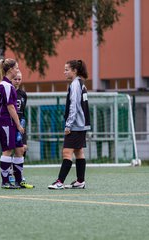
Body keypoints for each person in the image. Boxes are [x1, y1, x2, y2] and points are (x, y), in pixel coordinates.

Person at [48, 59, 91, 190]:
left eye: (67, 69)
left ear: (75, 71)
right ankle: (80, 181)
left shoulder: (75, 85)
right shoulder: (80, 83)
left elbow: (74, 106)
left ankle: (60, 181)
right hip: (82, 125)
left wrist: (68, 125)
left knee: (67, 152)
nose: (64, 72)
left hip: (76, 125)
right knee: (79, 152)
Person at [0, 58, 25, 189]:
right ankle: (5, 181)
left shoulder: (9, 85)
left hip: (11, 122)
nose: (18, 70)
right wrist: (18, 124)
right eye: (17, 68)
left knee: (20, 149)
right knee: (7, 151)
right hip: (5, 122)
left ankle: (19, 180)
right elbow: (10, 107)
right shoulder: (5, 85)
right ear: (11, 70)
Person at [11, 71, 34, 189]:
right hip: (10, 124)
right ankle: (11, 174)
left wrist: (23, 124)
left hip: (21, 124)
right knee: (10, 149)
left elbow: (23, 112)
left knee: (23, 147)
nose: (17, 81)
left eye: (19, 79)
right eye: (15, 79)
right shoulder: (8, 92)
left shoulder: (23, 94)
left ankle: (19, 174)